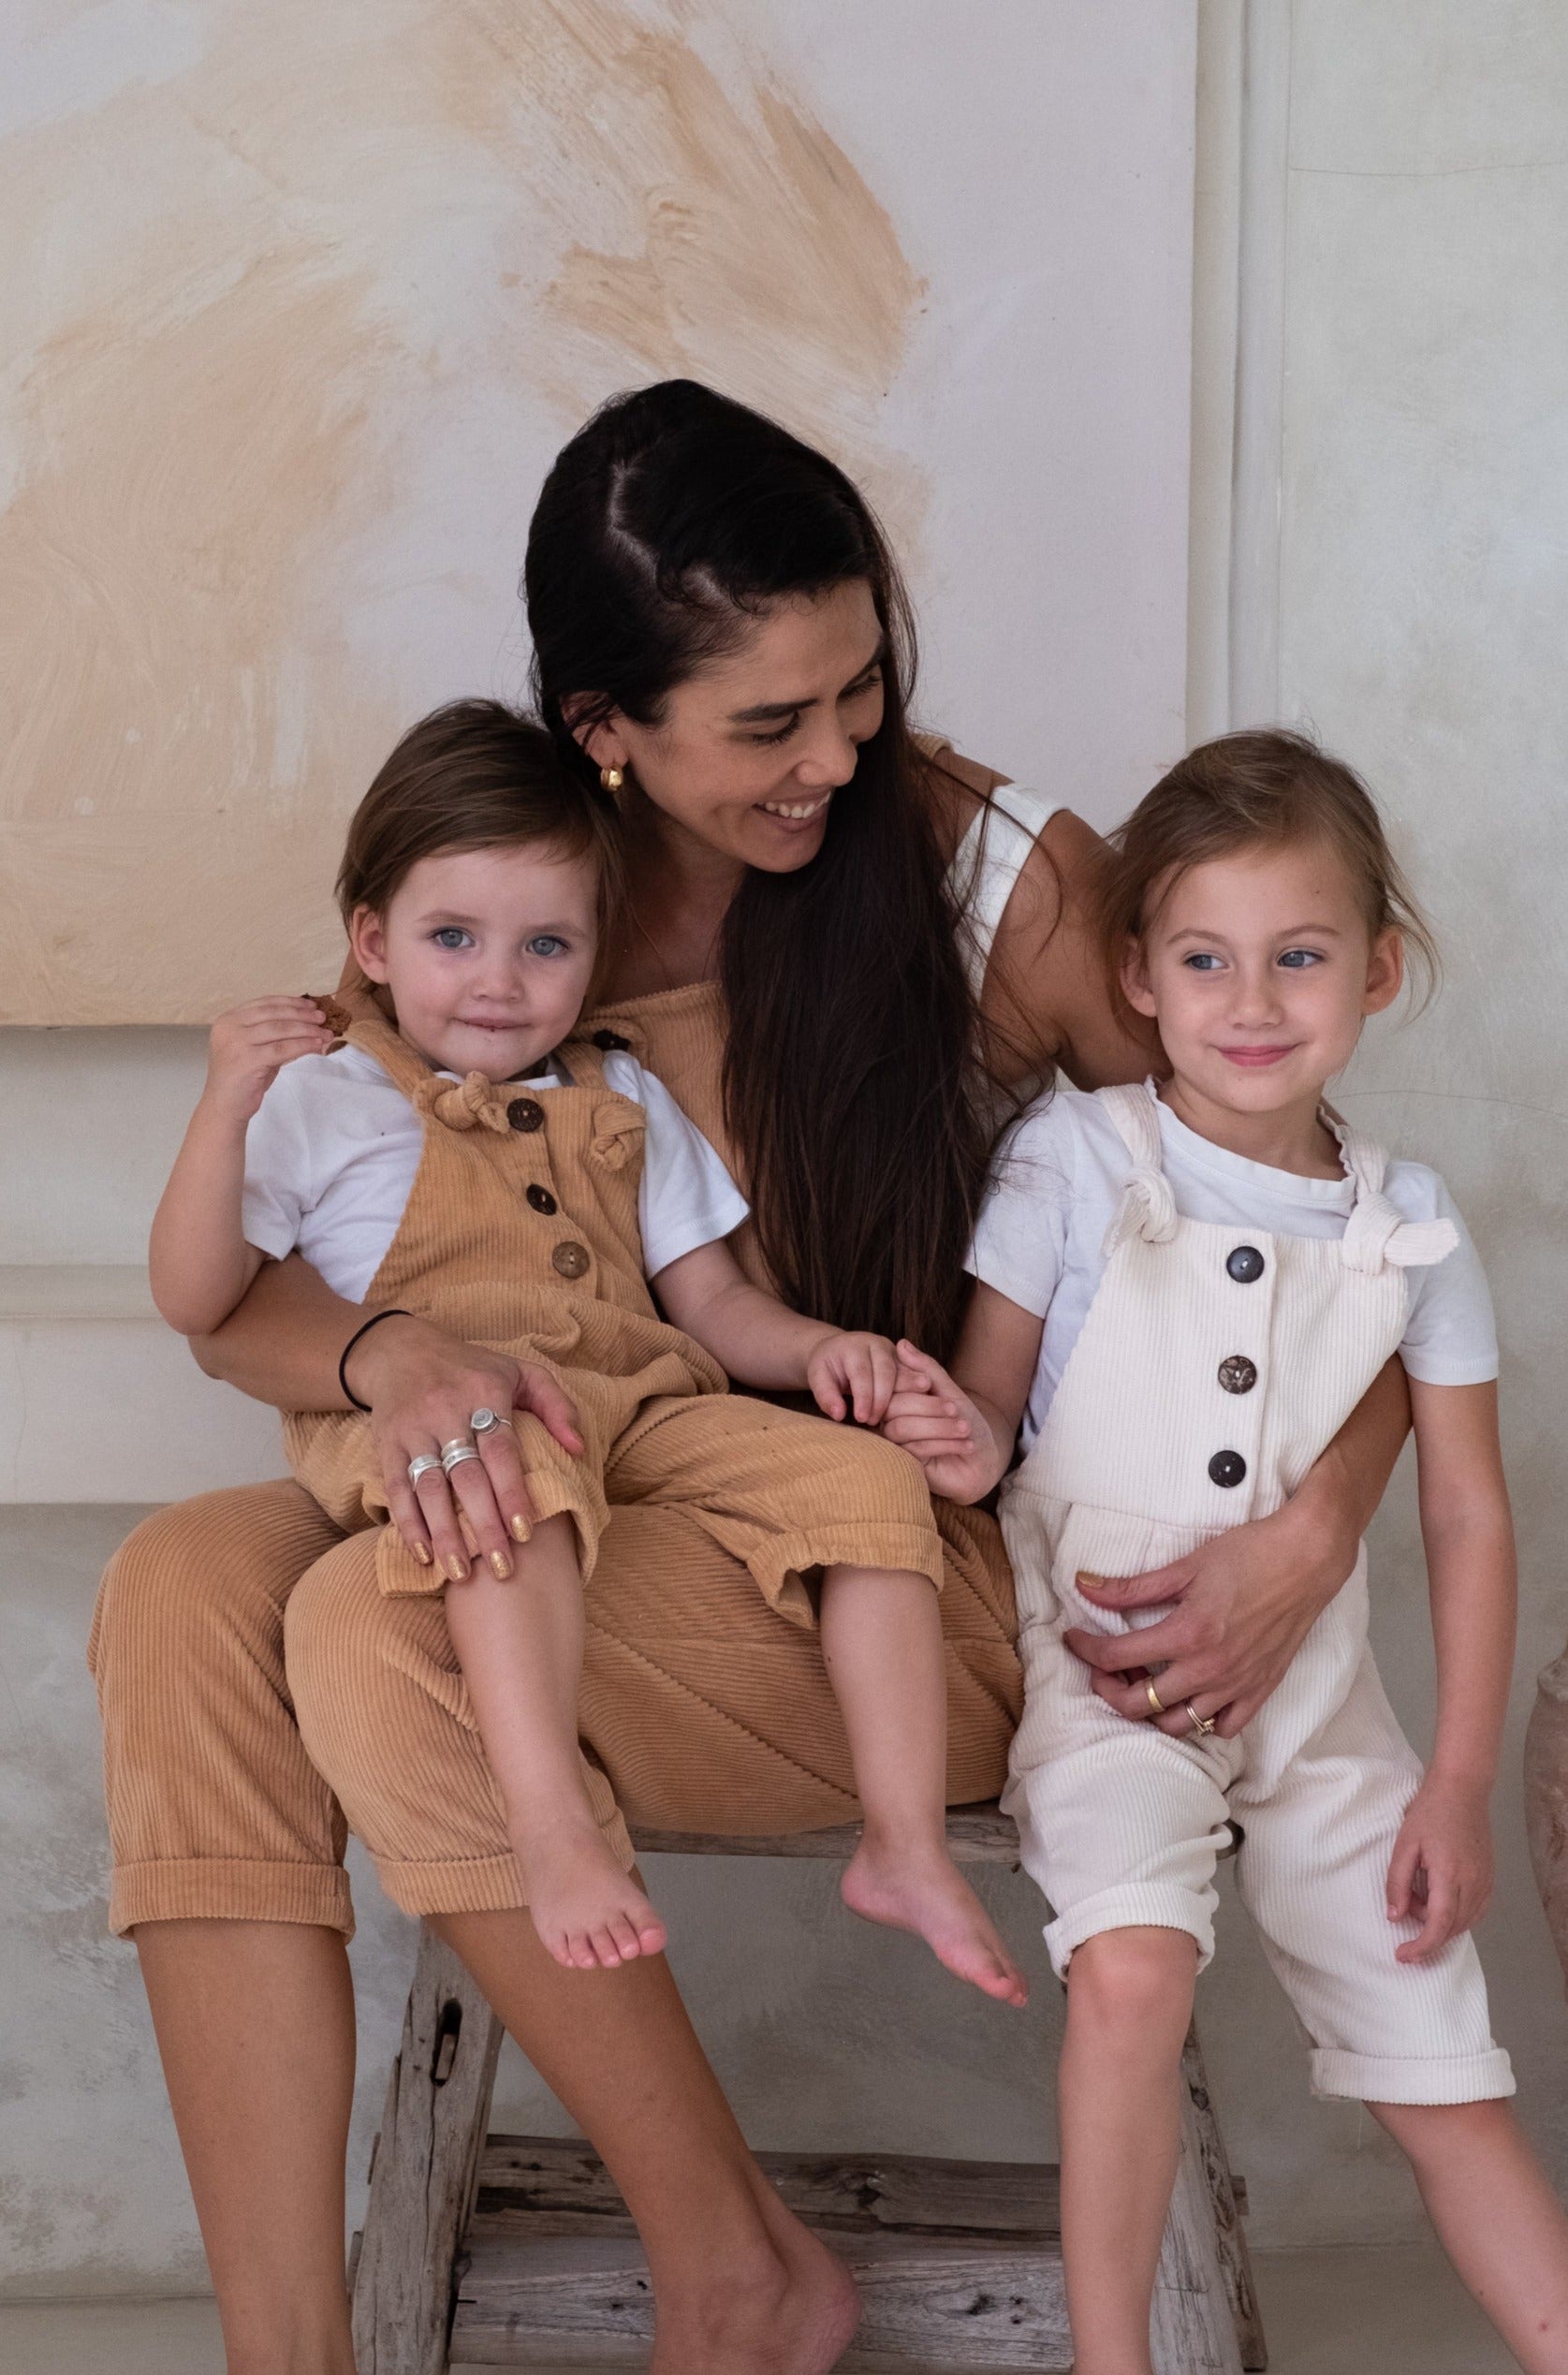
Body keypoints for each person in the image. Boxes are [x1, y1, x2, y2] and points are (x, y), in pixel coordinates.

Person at [90, 384, 1413, 2375]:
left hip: (900, 1567)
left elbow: (1342, 1237)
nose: (839, 756)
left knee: (385, 1628)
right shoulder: (501, 905)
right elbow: (273, 1282)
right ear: (599, 732)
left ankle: (731, 2273)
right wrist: (396, 1345)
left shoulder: (1000, 888)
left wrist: (1310, 1534)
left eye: (857, 687)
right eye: (768, 726)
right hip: (601, 1493)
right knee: (179, 1592)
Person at [148, 700, 1027, 2000]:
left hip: (643, 1400)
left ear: (593, 951)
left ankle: (900, 1842)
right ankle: (552, 1823)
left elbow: (710, 1298)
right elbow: (198, 1293)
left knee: (864, 1484)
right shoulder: (321, 1102)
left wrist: (824, 1349)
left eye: (546, 943)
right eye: (455, 938)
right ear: (373, 944)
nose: (500, 979)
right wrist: (225, 1103)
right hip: (456, 1419)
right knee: (517, 1486)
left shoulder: (619, 1090)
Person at [884, 728, 1568, 2375]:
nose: (1251, 1000)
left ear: (1378, 972)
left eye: (1299, 956)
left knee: (1441, 2058)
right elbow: (990, 1411)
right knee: (1130, 1969)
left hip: (1326, 1721)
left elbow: (1467, 1511)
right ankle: (1114, 2360)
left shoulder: (1411, 1223)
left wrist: (1455, 1780)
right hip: (1103, 1684)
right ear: (1138, 972)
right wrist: (939, 1434)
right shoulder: (1078, 1159)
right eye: (1204, 958)